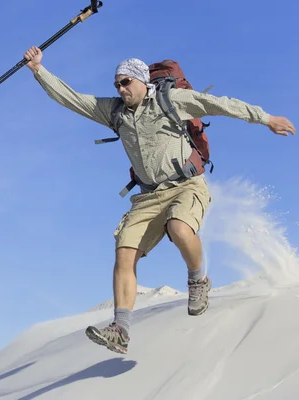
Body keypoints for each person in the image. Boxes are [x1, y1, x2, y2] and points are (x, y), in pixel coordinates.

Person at [23, 45, 296, 354]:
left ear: (142, 81)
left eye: (126, 82)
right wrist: (38, 70)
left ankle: (198, 281)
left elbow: (220, 104)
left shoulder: (172, 100)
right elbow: (71, 99)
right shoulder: (114, 111)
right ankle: (121, 330)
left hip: (186, 186)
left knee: (179, 229)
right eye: (117, 84)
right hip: (147, 197)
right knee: (124, 252)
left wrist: (265, 118)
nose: (120, 88)